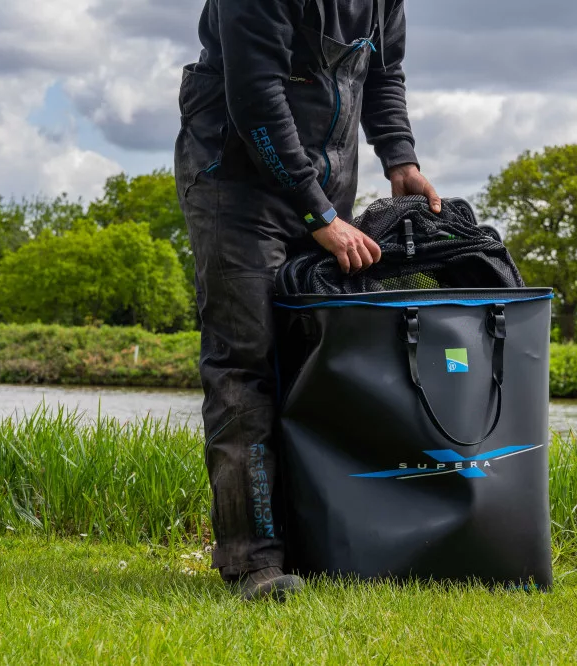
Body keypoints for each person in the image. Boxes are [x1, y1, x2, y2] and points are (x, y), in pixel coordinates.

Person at [174, 0, 441, 601]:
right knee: (247, 361)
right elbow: (255, 95)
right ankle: (254, 562)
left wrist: (400, 156)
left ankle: (320, 545)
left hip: (324, 189)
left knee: (319, 362)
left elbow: (384, 72)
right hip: (233, 182)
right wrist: (317, 212)